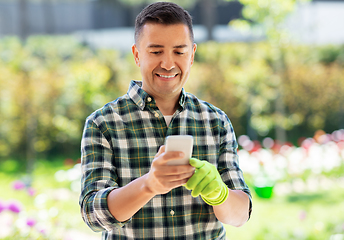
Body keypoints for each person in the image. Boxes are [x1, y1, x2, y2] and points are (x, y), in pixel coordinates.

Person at [79, 2, 252, 239]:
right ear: (137, 55)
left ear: (192, 55)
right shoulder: (103, 124)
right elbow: (93, 215)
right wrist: (149, 185)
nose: (168, 64)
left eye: (179, 52)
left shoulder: (216, 122)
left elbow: (240, 215)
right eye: (156, 51)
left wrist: (219, 194)